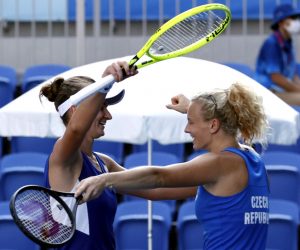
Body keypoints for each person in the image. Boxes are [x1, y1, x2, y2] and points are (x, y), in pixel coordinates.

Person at [75, 83, 270, 249]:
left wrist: (104, 179)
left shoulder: (219, 164)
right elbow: (157, 191)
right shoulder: (252, 159)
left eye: (190, 122)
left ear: (213, 125)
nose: (186, 129)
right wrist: (107, 169)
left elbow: (159, 176)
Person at [39, 61, 140, 250]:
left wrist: (210, 181)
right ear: (74, 110)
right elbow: (76, 130)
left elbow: (156, 188)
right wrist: (105, 82)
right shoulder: (63, 155)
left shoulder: (104, 163)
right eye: (100, 107)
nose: (108, 115)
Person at [255, 3, 300, 105]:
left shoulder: (288, 43)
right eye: (292, 18)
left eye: (296, 18)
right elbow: (276, 78)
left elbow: (293, 75)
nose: (296, 21)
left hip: (280, 90)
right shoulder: (271, 44)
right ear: (281, 23)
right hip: (268, 93)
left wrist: (298, 87)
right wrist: (297, 89)